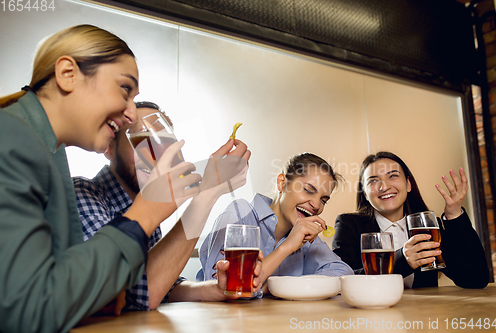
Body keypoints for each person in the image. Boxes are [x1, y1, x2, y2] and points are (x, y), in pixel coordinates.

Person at [0, 24, 257, 333]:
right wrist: (151, 209)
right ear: (67, 73)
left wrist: (211, 289)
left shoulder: (45, 151)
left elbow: (146, 288)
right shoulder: (15, 139)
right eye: (125, 89)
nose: (130, 113)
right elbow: (35, 308)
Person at [74, 101, 247, 310]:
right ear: (109, 147)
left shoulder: (144, 204)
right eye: (141, 138)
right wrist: (207, 194)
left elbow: (164, 283)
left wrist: (215, 289)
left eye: (164, 143)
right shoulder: (82, 194)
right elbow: (136, 295)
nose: (157, 155)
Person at [198, 153, 354, 293]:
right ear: (282, 183)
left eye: (323, 200)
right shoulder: (240, 213)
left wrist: (273, 287)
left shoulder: (306, 237)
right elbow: (225, 288)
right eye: (308, 190)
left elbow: (342, 272)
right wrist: (287, 247)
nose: (316, 205)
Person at [332, 151, 489, 289]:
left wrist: (454, 215)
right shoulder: (349, 224)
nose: (384, 186)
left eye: (393, 176)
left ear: (408, 184)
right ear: (365, 193)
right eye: (373, 180)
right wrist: (402, 260)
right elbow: (342, 280)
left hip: (425, 320)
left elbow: (476, 279)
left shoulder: (427, 226)